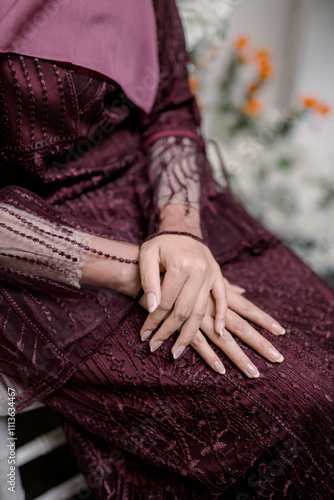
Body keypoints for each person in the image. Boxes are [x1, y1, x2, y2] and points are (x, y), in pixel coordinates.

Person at [0, 0, 333, 498]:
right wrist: (135, 271)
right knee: (305, 397)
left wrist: (180, 230)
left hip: (162, 197)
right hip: (41, 251)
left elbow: (169, 105)